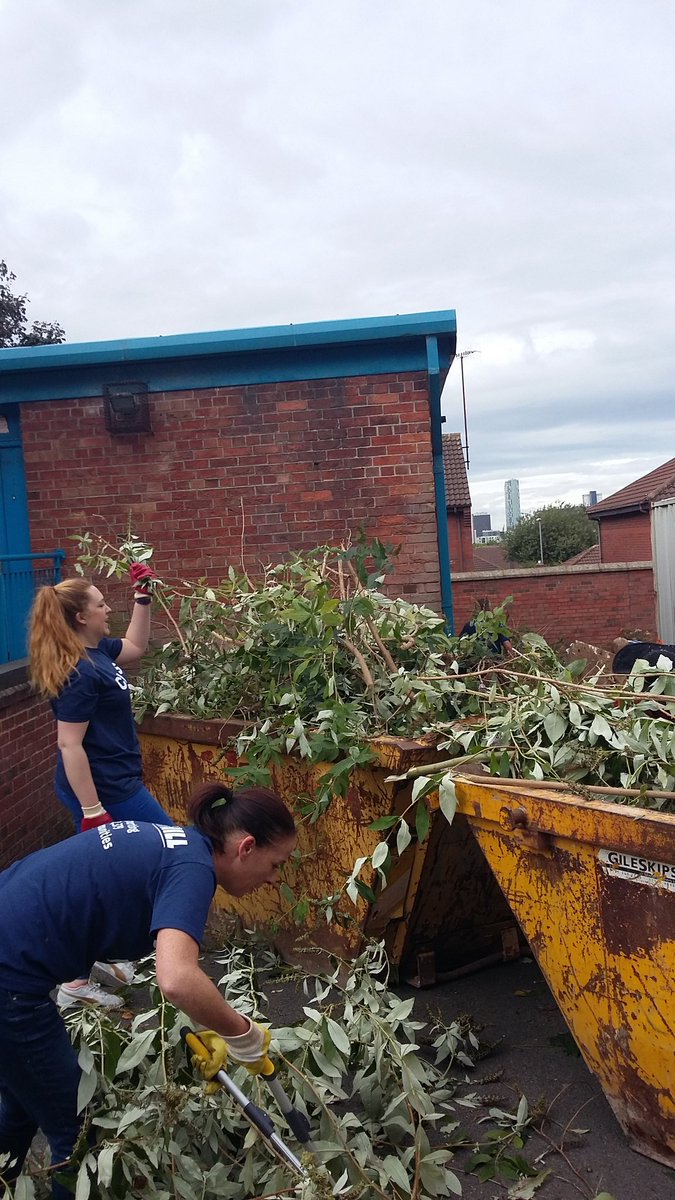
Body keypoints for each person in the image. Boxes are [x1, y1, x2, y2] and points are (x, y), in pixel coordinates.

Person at [0, 781, 297, 1199]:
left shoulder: (180, 844)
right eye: (275, 864)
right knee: (80, 1134)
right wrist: (240, 1032)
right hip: (9, 979)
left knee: (22, 1101)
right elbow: (176, 978)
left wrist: (205, 1023)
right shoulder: (194, 870)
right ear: (246, 847)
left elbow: (174, 967)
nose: (272, 878)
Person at [28, 566, 173, 1009]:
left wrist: (143, 598)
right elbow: (69, 744)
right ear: (80, 618)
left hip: (117, 783)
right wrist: (92, 810)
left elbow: (136, 646)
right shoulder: (79, 673)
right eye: (99, 604)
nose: (107, 607)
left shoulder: (99, 654)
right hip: (105, 791)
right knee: (170, 848)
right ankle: (74, 980)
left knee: (108, 876)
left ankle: (98, 960)